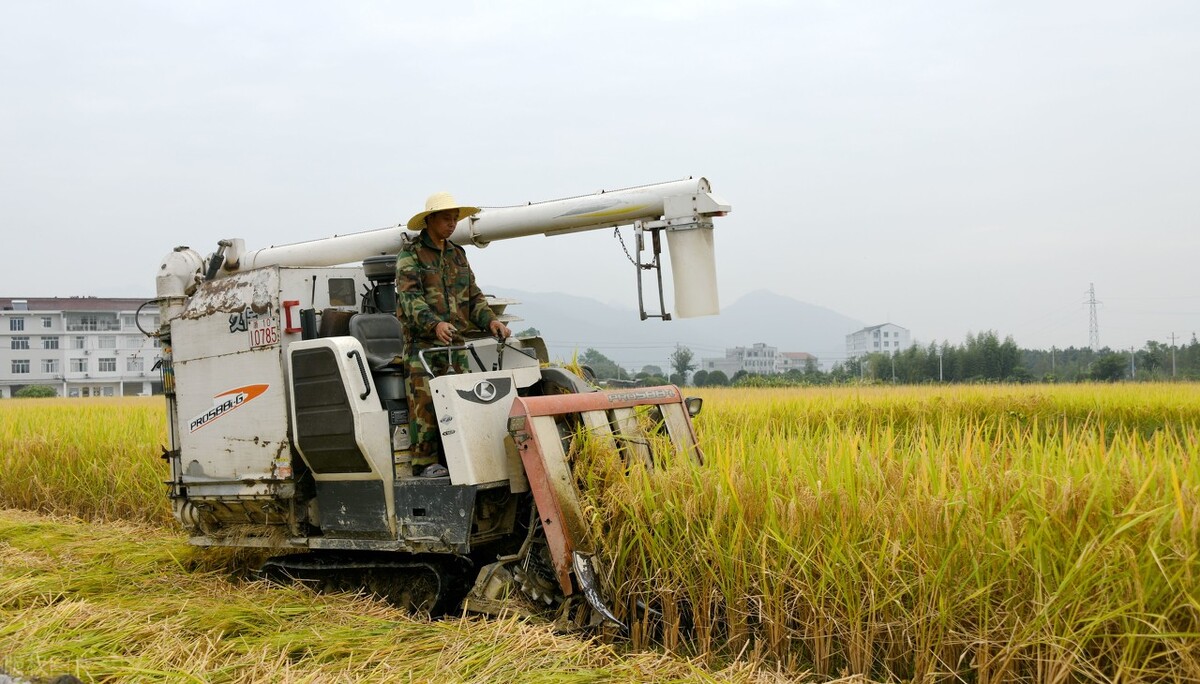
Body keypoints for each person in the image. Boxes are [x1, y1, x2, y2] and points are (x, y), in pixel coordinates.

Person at [395, 192, 510, 478]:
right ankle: (425, 465)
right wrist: (434, 324)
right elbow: (410, 300)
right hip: (422, 346)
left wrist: (491, 321)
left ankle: (463, 459)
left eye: (455, 219)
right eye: (446, 218)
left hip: (456, 346)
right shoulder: (410, 255)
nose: (452, 224)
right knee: (425, 407)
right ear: (430, 219)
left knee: (463, 403)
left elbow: (473, 296)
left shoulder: (458, 255)